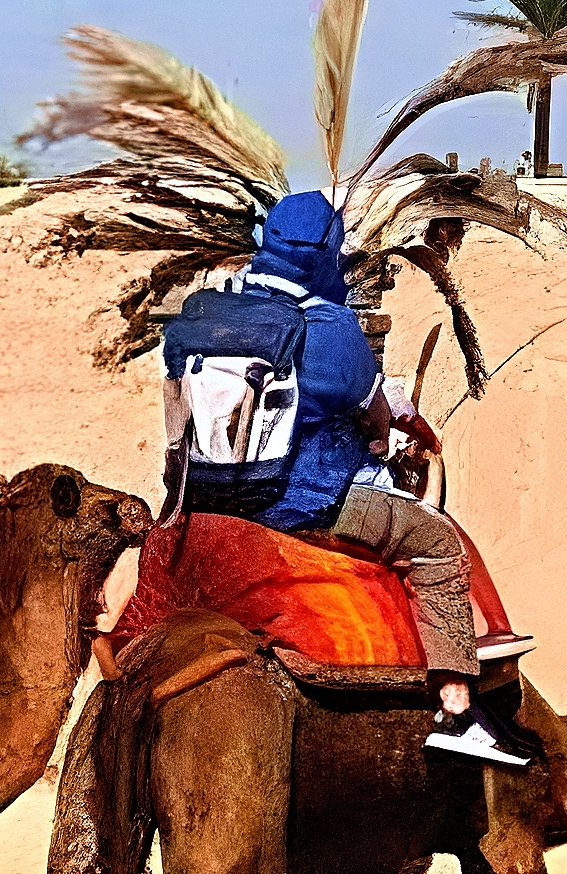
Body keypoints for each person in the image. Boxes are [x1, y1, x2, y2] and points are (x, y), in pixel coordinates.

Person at [159, 190, 532, 766]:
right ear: (327, 254)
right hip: (307, 502)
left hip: (208, 499)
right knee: (435, 543)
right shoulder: (330, 327)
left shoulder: (206, 315)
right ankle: (458, 708)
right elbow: (373, 415)